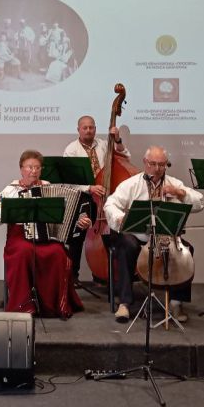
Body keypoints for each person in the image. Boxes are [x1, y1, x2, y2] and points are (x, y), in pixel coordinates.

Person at [104, 146, 204, 323]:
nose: (157, 169)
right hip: (139, 237)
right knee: (126, 245)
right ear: (145, 162)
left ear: (166, 165)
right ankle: (125, 303)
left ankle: (176, 302)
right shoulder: (132, 184)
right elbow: (110, 203)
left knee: (187, 250)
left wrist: (179, 193)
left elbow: (199, 202)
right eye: (153, 164)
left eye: (162, 165)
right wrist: (120, 218)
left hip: (166, 239)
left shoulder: (173, 183)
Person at [0, 150, 89, 318]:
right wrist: (9, 214)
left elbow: (66, 211)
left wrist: (80, 220)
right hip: (19, 236)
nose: (33, 171)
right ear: (21, 169)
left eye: (37, 167)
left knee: (58, 252)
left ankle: (53, 305)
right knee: (24, 251)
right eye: (29, 167)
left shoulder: (48, 186)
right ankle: (24, 305)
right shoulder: (11, 189)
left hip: (46, 235)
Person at [62, 115, 132, 283]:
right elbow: (68, 182)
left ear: (95, 128)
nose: (88, 130)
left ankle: (104, 275)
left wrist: (118, 140)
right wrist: (90, 188)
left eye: (91, 127)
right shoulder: (71, 150)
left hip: (106, 197)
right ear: (78, 130)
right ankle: (73, 277)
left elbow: (125, 157)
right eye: (85, 128)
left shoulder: (104, 144)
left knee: (112, 234)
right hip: (83, 197)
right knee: (77, 236)